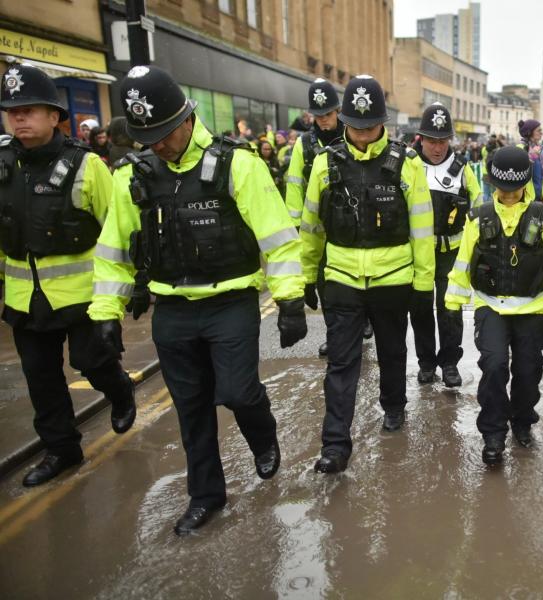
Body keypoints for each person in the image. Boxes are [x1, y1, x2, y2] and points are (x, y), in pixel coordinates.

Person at [89, 65, 307, 535]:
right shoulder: (135, 177)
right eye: (149, 137)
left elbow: (280, 240)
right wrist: (106, 312)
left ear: (188, 117)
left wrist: (289, 300)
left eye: (166, 133)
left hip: (230, 304)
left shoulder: (238, 165)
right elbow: (112, 254)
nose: (160, 144)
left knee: (238, 392)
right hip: (173, 310)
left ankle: (262, 435)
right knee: (191, 409)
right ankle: (206, 496)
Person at [0, 63, 136, 487]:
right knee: (41, 380)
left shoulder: (86, 165)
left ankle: (119, 391)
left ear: (55, 116)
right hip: (26, 299)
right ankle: (61, 450)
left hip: (84, 296)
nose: (19, 118)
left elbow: (118, 229)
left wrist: (125, 293)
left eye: (29, 110)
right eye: (11, 111)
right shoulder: (4, 165)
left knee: (92, 363)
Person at [299, 75, 435, 475]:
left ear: (383, 124)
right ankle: (335, 444)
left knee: (393, 352)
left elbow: (422, 230)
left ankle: (394, 406)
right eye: (354, 126)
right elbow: (312, 226)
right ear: (343, 121)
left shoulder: (407, 165)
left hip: (393, 281)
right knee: (341, 363)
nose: (361, 135)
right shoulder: (325, 164)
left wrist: (423, 285)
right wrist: (308, 275)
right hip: (341, 280)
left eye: (369, 127)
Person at [445, 146, 543, 464]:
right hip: (491, 307)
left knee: (528, 372)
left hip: (533, 308)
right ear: (493, 183)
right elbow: (463, 263)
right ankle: (493, 433)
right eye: (503, 188)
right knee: (494, 366)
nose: (509, 194)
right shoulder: (478, 218)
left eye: (514, 189)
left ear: (525, 184)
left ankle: (522, 421)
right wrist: (452, 302)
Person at [409, 103, 481, 387]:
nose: (437, 147)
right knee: (421, 311)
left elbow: (477, 211)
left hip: (451, 255)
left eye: (442, 140)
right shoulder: (407, 165)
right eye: (431, 140)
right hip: (418, 255)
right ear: (421, 138)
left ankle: (450, 363)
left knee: (450, 311)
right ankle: (426, 364)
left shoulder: (463, 170)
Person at [284, 78, 348, 355]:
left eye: (329, 114)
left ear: (338, 112)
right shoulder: (304, 144)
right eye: (318, 115)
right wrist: (297, 227)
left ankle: (361, 322)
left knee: (351, 280)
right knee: (325, 286)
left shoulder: (351, 136)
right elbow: (295, 184)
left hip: (349, 222)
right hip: (318, 225)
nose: (324, 121)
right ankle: (336, 336)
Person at [518, 119, 543, 202]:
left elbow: (539, 176)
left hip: (537, 196)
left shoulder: (537, 149)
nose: (541, 133)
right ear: (530, 132)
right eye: (538, 130)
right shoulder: (520, 148)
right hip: (526, 198)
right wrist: (531, 156)